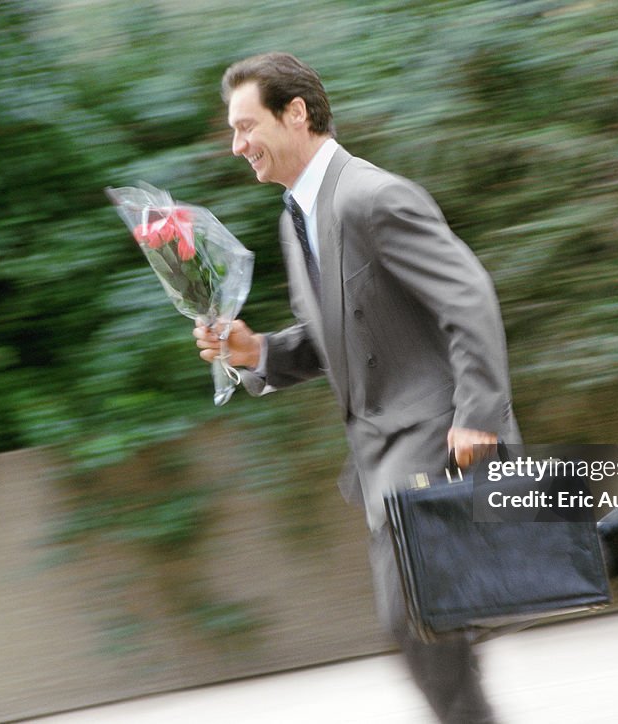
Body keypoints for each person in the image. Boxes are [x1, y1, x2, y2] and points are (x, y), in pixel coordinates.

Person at [194, 52, 518, 723]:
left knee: (412, 616)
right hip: (380, 457)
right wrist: (257, 352)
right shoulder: (296, 219)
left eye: (246, 125)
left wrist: (478, 413)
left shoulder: (372, 197)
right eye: (232, 131)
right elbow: (336, 335)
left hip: (434, 438)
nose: (236, 145)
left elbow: (469, 298)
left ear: (297, 113)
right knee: (426, 622)